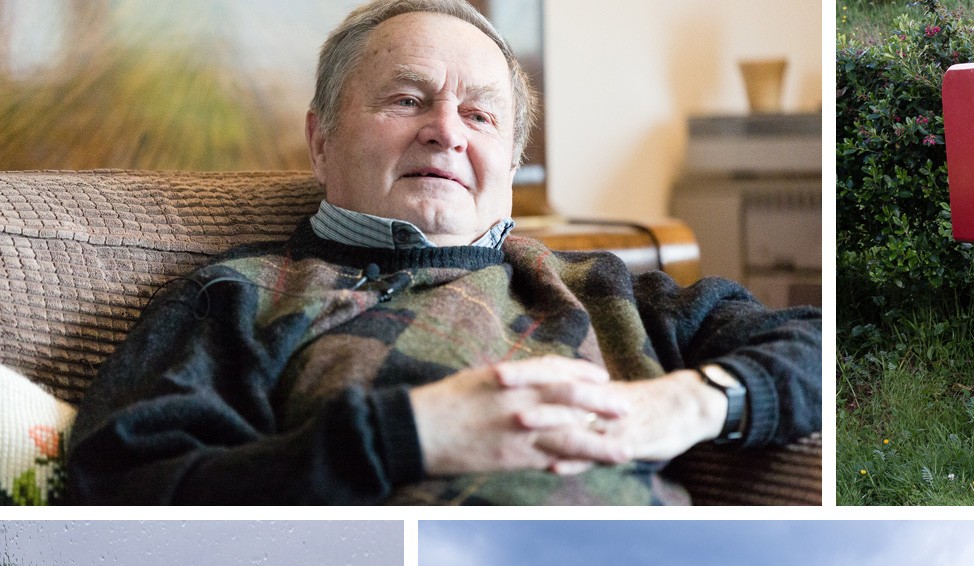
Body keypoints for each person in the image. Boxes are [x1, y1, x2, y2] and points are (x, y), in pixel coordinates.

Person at [66, 0, 821, 505]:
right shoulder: (236, 297)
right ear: (320, 140)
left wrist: (686, 402)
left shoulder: (608, 288)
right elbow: (119, 485)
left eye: (480, 114)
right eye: (406, 100)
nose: (446, 131)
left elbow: (817, 346)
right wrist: (410, 435)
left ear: (509, 159)